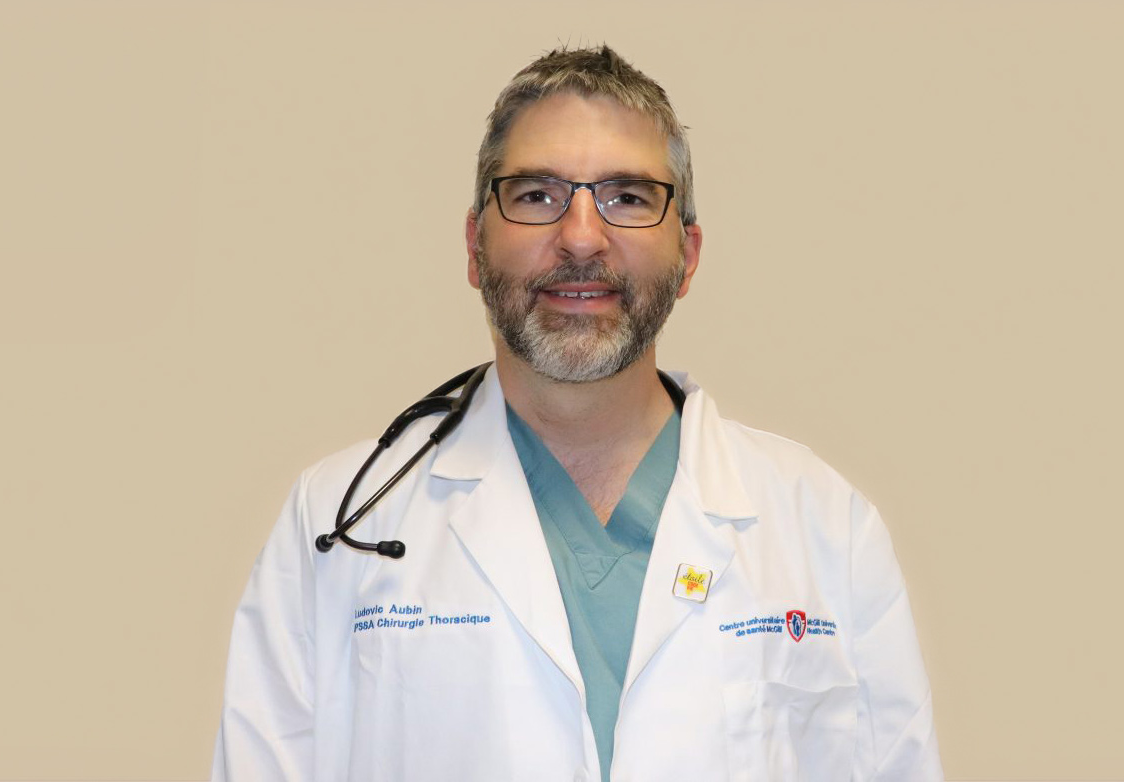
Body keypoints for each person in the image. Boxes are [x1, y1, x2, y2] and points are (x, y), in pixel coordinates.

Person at [212, 45, 943, 782]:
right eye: (537, 195)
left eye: (629, 198)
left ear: (688, 255)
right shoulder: (339, 526)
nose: (583, 236)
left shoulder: (825, 528)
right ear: (474, 246)